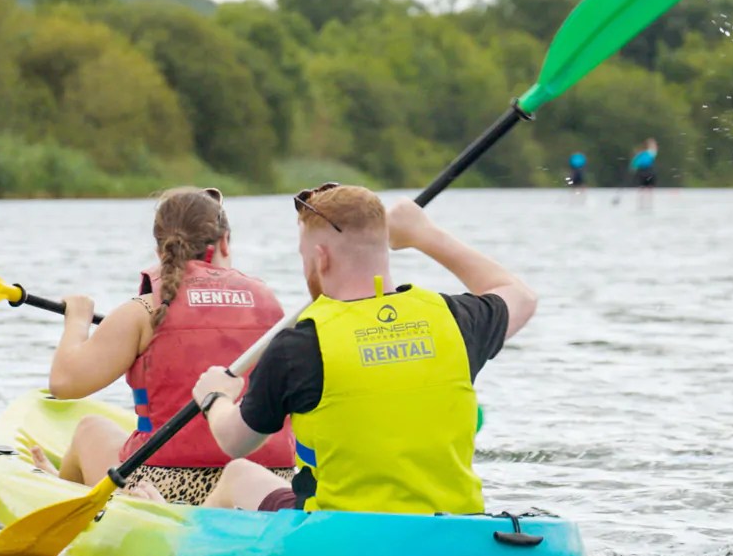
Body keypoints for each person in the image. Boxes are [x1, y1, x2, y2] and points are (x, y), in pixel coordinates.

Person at [188, 183, 537, 514]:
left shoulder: (300, 345)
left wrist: (215, 397)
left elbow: (237, 441)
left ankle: (180, 548)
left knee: (237, 473)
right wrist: (425, 236)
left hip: (342, 535)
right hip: (453, 529)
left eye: (304, 256)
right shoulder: (454, 320)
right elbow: (519, 295)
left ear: (321, 258)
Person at [41, 187, 296, 504]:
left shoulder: (145, 311)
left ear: (161, 248)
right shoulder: (272, 307)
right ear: (225, 241)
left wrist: (77, 321)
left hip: (165, 485)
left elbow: (64, 383)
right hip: (265, 481)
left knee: (89, 430)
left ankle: (61, 493)